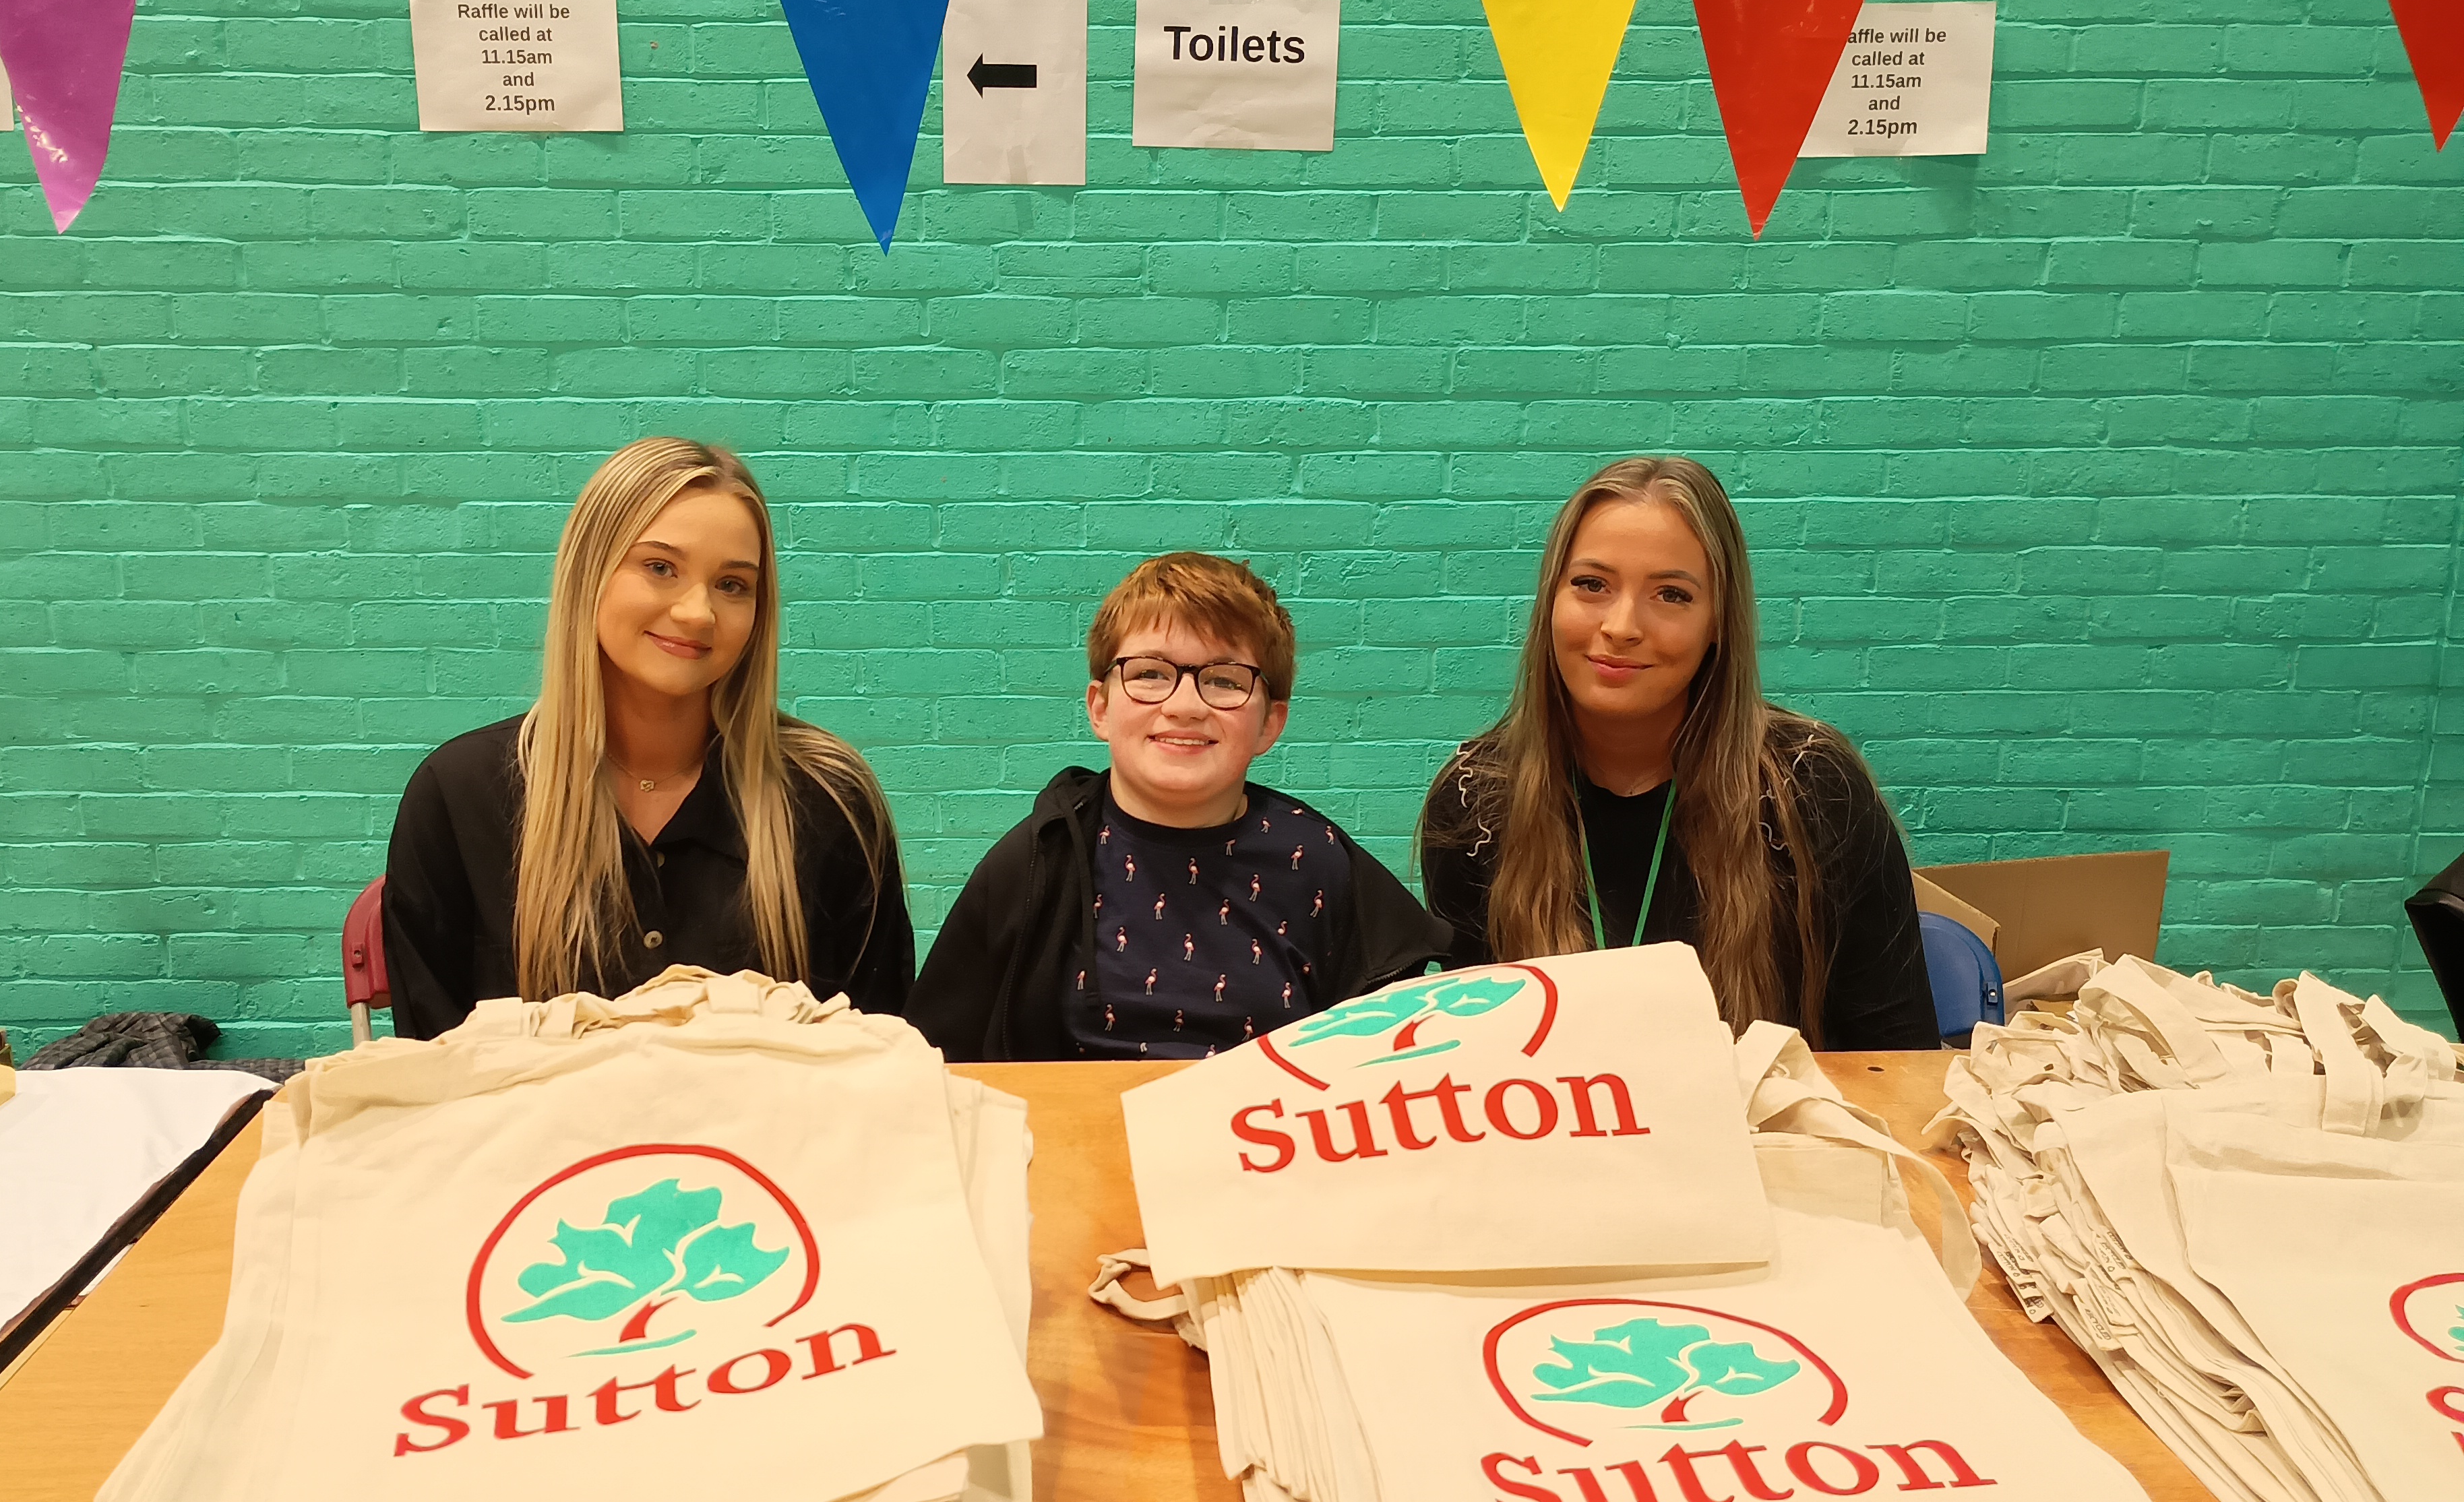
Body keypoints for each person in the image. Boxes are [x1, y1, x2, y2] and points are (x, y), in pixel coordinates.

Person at [382, 438, 911, 1038]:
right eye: (660, 568)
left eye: (733, 585)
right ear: (591, 573)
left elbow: (877, 1054)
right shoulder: (459, 796)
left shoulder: (831, 797)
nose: (697, 613)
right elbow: (434, 1071)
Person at [1417, 456, 1936, 1049]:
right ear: (1549, 599)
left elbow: (1898, 1061)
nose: (1621, 625)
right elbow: (1479, 1068)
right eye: (1592, 585)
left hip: (1771, 1138)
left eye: (1671, 594)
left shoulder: (1814, 788)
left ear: (1719, 620)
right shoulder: (1476, 799)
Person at [911, 553, 1448, 1062]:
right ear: (1099, 707)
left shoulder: (1317, 864)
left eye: (1224, 680)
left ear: (1270, 723)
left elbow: (1391, 1064)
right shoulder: (1033, 862)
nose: (1185, 706)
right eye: (1149, 674)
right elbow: (936, 1065)